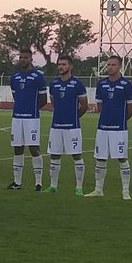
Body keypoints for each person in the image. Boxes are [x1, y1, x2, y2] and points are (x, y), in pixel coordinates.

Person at [86, 56, 132, 199]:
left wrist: (120, 119)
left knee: (122, 158)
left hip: (119, 129)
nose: (110, 67)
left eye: (113, 65)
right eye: (108, 65)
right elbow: (100, 105)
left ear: (120, 67)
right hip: (103, 128)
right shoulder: (101, 84)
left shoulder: (126, 84)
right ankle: (98, 190)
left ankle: (125, 191)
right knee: (100, 158)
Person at [47, 55, 89, 194]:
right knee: (54, 155)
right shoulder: (54, 84)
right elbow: (54, 102)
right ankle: (53, 186)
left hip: (72, 128)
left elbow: (84, 106)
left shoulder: (77, 84)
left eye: (64, 64)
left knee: (76, 155)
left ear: (70, 66)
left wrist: (74, 118)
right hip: (56, 126)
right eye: (59, 64)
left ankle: (79, 187)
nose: (61, 67)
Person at [8, 49, 48, 190]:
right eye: (21, 57)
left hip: (32, 118)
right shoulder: (15, 77)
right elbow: (15, 95)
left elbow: (43, 99)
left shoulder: (37, 76)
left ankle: (38, 183)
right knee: (17, 149)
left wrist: (32, 108)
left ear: (31, 59)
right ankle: (17, 182)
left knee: (34, 148)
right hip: (17, 118)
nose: (23, 59)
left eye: (26, 57)